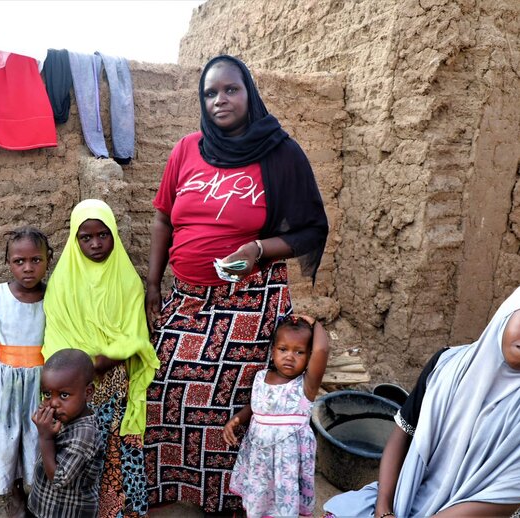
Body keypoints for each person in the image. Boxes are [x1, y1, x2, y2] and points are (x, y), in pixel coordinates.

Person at [144, 54, 329, 513]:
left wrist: (258, 250)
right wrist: (152, 284)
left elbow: (311, 228)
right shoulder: (187, 149)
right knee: (165, 388)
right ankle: (175, 487)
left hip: (248, 303)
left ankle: (233, 497)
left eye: (230, 89)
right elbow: (163, 218)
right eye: (210, 93)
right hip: (186, 299)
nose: (219, 100)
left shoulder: (280, 153)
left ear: (249, 93)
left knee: (234, 401)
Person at [323, 287, 520, 518]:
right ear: (507, 312)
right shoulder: (446, 366)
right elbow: (401, 435)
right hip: (405, 498)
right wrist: (384, 509)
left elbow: (506, 495)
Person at [43, 199, 160, 518]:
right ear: (74, 239)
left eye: (103, 235)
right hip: (73, 388)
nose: (95, 243)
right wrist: (82, 368)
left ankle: (119, 511)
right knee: (78, 455)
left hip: (114, 386)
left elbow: (135, 333)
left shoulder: (126, 281)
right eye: (86, 237)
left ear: (114, 235)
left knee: (114, 455)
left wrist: (108, 357)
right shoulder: (62, 283)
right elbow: (56, 336)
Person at [0, 227, 53, 518]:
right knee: (9, 435)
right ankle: (15, 491)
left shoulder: (54, 296)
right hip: (6, 383)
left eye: (36, 260)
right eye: (19, 261)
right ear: (7, 262)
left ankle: (41, 491)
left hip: (41, 382)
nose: (28, 268)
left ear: (49, 260)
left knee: (37, 436)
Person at [223, 314, 329, 518]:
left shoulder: (306, 385)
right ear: (272, 351)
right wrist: (236, 420)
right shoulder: (261, 377)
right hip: (259, 456)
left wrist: (315, 324)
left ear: (308, 358)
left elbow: (322, 350)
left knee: (284, 501)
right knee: (259, 496)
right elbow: (256, 406)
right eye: (283, 349)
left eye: (299, 352)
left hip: (287, 462)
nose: (290, 356)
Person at [27, 349, 103, 518]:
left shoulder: (84, 435)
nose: (53, 403)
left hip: (67, 511)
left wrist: (45, 438)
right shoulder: (66, 416)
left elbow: (59, 479)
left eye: (63, 395)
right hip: (46, 505)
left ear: (88, 392)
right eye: (47, 394)